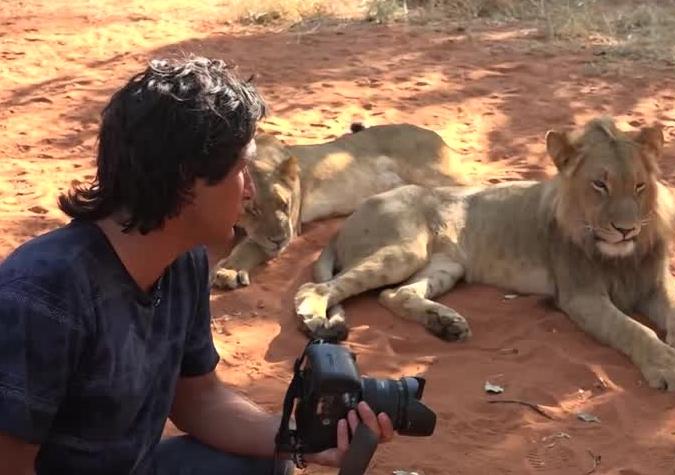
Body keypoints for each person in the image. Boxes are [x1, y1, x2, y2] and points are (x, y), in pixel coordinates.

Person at [0, 55, 394, 475]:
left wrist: (303, 440)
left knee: (269, 461)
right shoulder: (45, 293)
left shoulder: (183, 262)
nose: (249, 193)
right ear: (186, 181)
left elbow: (199, 399)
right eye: (241, 170)